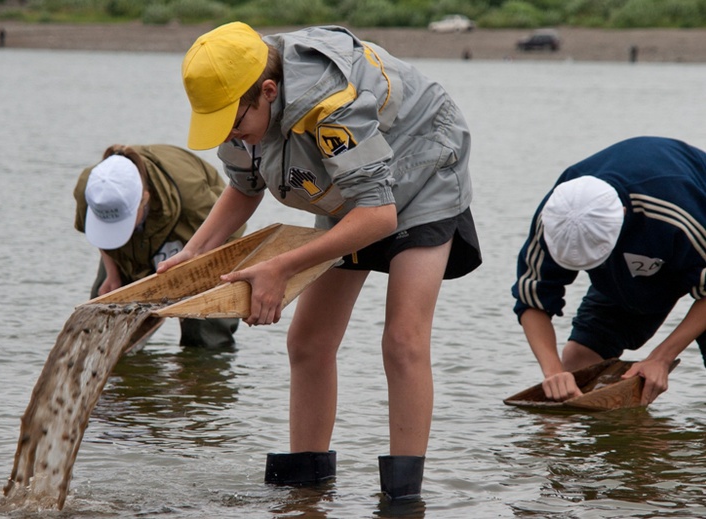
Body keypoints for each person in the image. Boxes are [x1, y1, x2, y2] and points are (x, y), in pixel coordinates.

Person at [156, 22, 482, 499]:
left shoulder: (331, 106)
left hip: (423, 168)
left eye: (235, 122)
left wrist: (282, 267)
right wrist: (194, 252)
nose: (231, 134)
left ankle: (402, 499)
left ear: (268, 91)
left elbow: (378, 215)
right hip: (349, 187)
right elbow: (246, 186)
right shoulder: (242, 106)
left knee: (403, 340)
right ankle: (305, 495)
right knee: (307, 341)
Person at [512, 136, 706, 406]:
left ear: (623, 216)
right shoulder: (557, 213)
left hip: (683, 233)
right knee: (579, 362)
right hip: (631, 267)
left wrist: (660, 359)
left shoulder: (675, 214)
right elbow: (532, 299)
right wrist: (553, 372)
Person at [74, 144, 245, 347]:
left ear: (144, 198)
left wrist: (191, 286)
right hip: (127, 250)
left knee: (206, 329)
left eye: (122, 222)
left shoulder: (193, 198)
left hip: (191, 240)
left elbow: (231, 232)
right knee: (102, 319)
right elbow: (102, 237)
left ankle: (201, 372)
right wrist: (112, 274)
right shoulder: (92, 187)